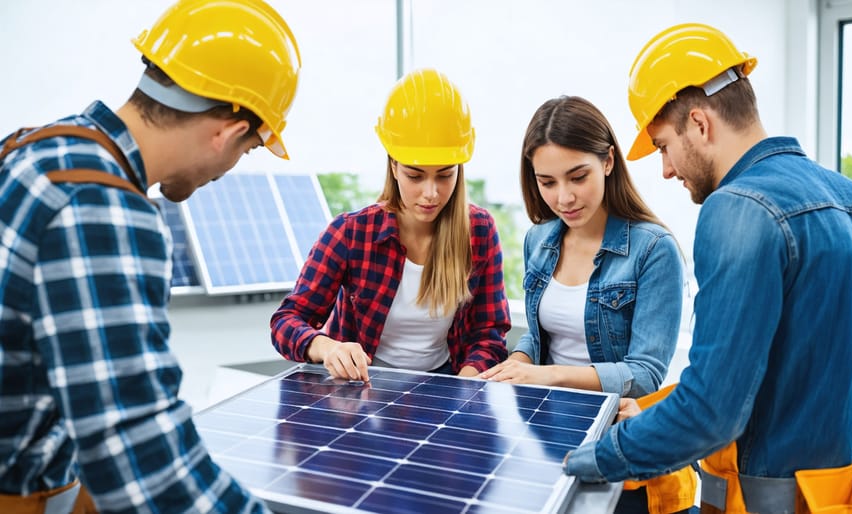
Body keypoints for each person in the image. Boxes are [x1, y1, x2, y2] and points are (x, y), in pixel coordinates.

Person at [563, 23, 852, 514]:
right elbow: (844, 378)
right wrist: (655, 411)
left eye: (662, 146)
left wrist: (593, 458)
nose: (667, 169)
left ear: (699, 123)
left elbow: (711, 414)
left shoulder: (738, 209)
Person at [0, 0, 301, 512]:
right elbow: (136, 453)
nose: (227, 170)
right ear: (225, 134)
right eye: (246, 151)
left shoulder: (30, 148)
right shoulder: (102, 205)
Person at [479, 95, 693, 514]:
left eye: (578, 177)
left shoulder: (653, 250)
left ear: (609, 161)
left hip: (620, 447)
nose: (564, 198)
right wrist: (515, 366)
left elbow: (645, 376)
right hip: (549, 438)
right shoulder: (539, 240)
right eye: (548, 182)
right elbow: (539, 342)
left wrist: (546, 375)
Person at [270, 68, 510, 382]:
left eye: (445, 174)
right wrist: (326, 347)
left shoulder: (479, 231)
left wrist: (464, 385)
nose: (430, 193)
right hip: (362, 388)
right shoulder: (351, 233)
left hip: (448, 382)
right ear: (393, 165)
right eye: (415, 175)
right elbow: (286, 321)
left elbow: (488, 331)